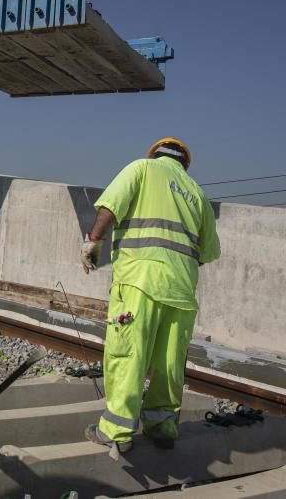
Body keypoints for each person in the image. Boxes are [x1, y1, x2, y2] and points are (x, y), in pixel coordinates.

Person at [81, 138, 220, 453]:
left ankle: (116, 431)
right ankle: (162, 427)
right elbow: (209, 252)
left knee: (129, 353)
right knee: (169, 364)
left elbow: (111, 205)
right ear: (184, 163)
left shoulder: (142, 168)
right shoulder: (197, 194)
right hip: (182, 292)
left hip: (139, 282)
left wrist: (93, 240)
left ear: (155, 154)